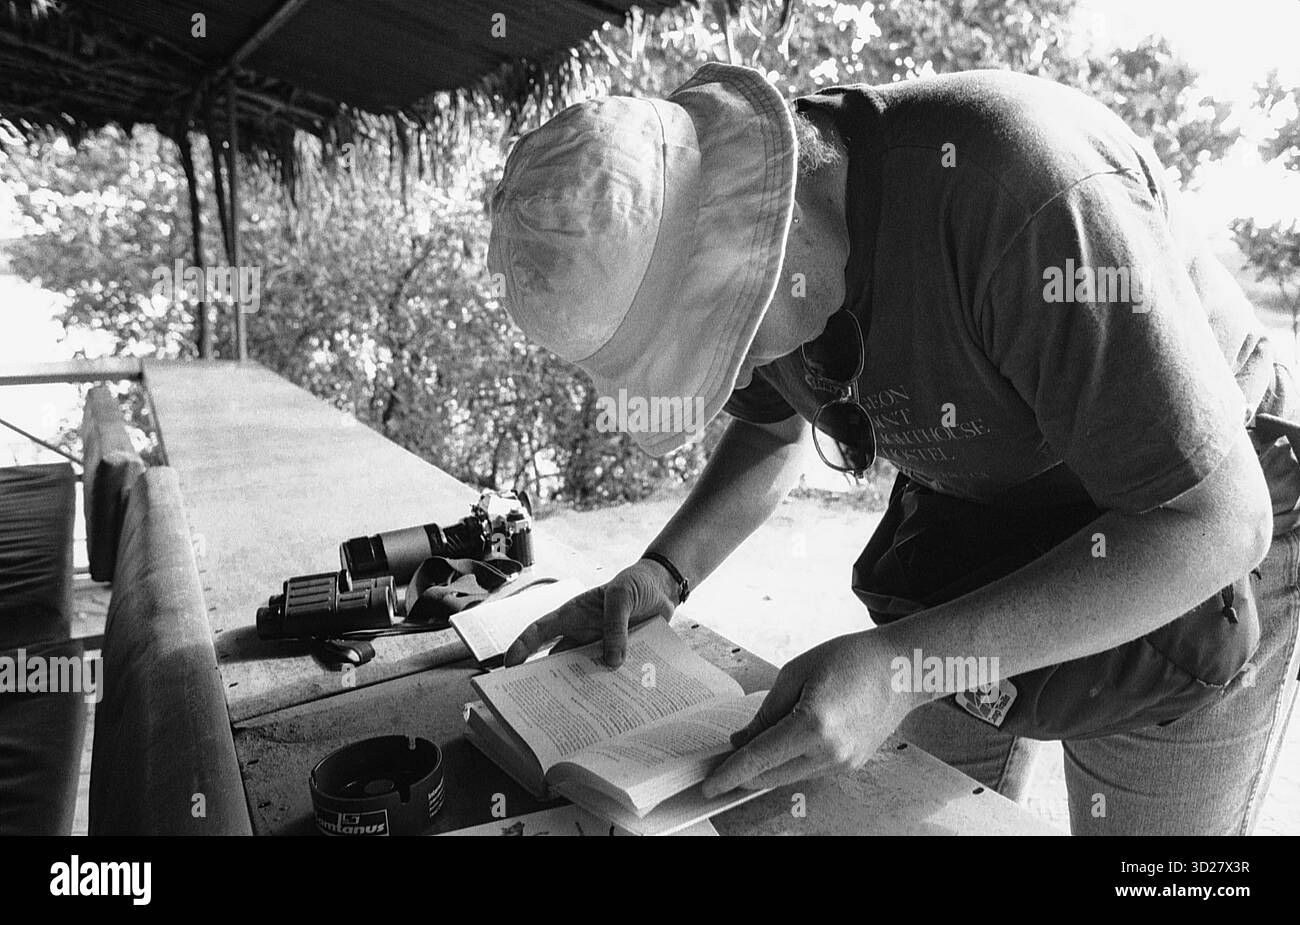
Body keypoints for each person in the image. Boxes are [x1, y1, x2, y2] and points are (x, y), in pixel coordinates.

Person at [486, 62, 1300, 835]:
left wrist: (906, 667)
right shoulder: (767, 270)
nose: (739, 373)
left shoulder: (1018, 195)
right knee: (921, 806)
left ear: (768, 228)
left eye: (725, 343)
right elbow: (773, 427)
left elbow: (1215, 522)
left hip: (1189, 535)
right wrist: (664, 570)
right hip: (985, 520)